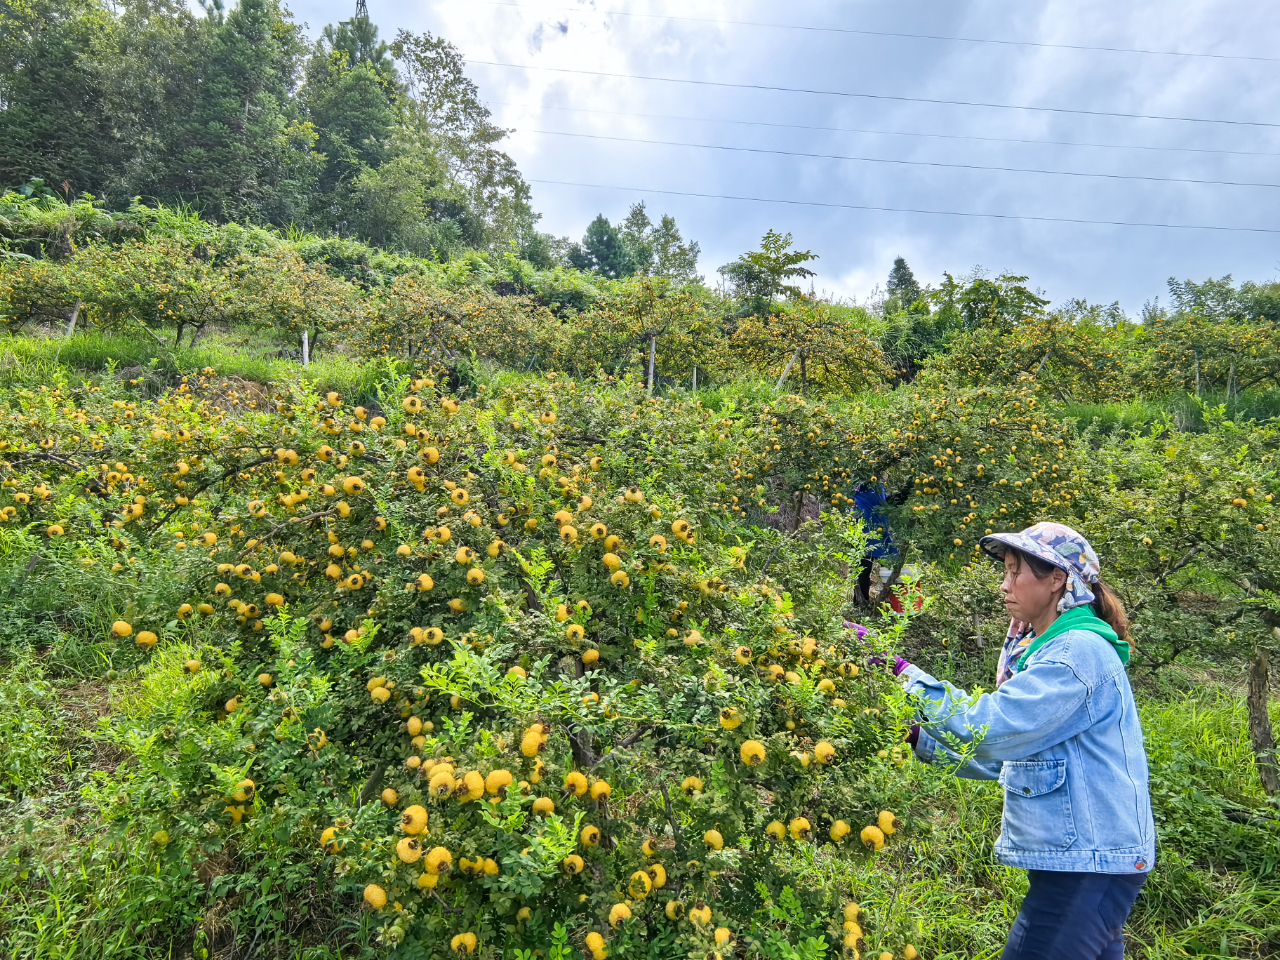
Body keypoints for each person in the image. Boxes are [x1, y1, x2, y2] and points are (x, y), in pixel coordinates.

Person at [870, 522, 1155, 960]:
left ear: (1057, 579)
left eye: (1013, 571)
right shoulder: (1046, 650)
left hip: (1088, 865)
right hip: (1086, 861)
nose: (1004, 585)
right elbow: (1012, 761)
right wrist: (916, 737)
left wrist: (901, 671)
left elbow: (994, 727)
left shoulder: (1077, 652)